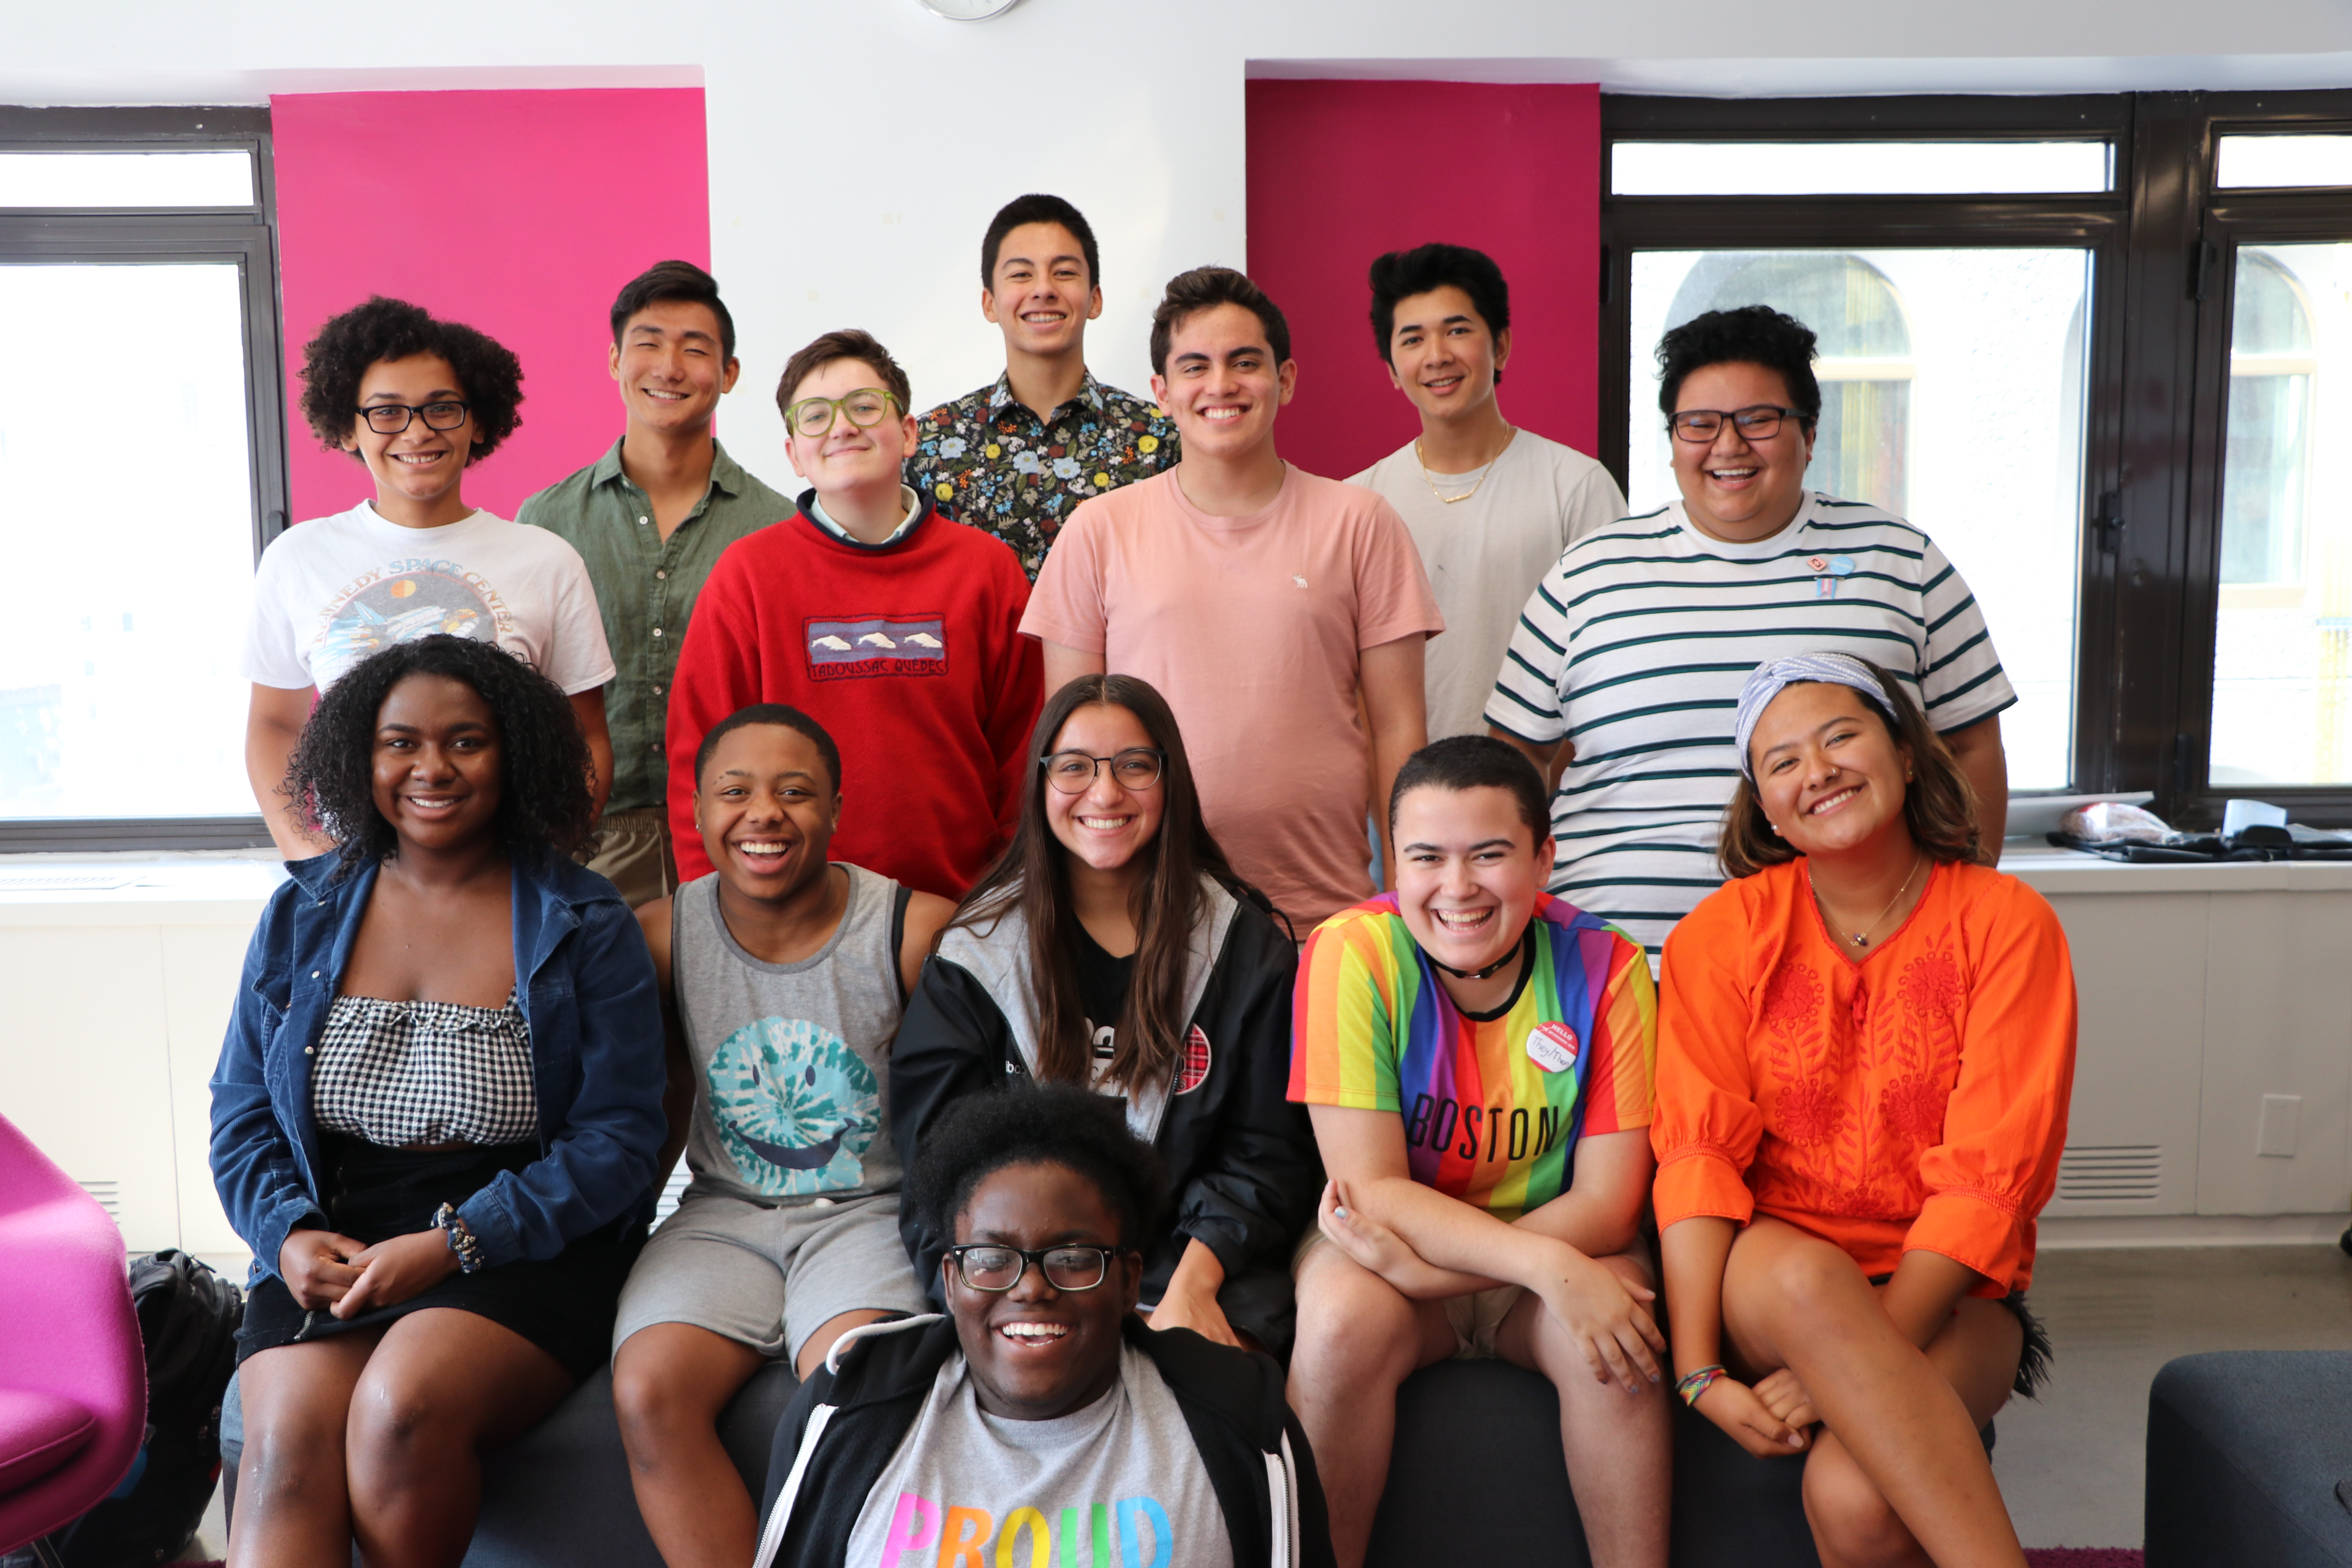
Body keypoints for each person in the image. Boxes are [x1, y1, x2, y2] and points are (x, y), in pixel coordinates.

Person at [210, 633, 665, 1568]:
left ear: (517, 755)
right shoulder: (303, 911)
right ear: (359, 755)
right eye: (400, 741)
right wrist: (287, 1233)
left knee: (398, 1410)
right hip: (335, 1232)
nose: (431, 767)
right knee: (285, 1446)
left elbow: (620, 1141)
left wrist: (455, 1243)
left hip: (524, 1241)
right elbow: (242, 1109)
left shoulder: (584, 920)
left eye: (467, 741)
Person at [1653, 653, 2073, 1568]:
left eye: (1842, 735)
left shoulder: (2008, 922)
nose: (1820, 769)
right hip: (1773, 1272)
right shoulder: (1719, 934)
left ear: (1909, 754)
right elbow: (1696, 1160)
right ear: (1764, 806)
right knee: (1809, 1283)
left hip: (1952, 1294)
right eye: (1783, 760)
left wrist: (1842, 1364)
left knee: (1857, 1498)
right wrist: (1696, 1369)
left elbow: (1987, 1185)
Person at [1485, 305, 2013, 962]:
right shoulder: (1586, 574)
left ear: (1810, 433)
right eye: (1698, 424)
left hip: (1846, 967)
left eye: (1758, 420)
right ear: (1674, 440)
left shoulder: (1901, 562)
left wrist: (1965, 908)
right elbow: (1513, 763)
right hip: (1610, 968)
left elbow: (1971, 744)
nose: (1728, 446)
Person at [1286, 735, 1668, 1568]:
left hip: (1549, 1238)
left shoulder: (1610, 964)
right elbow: (1374, 1190)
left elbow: (1610, 1202)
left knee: (1618, 1338)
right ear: (1393, 862)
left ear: (1543, 857)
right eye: (1426, 857)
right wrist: (1548, 1268)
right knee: (1338, 1323)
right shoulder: (1350, 951)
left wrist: (1502, 1271)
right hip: (1388, 1259)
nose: (1457, 887)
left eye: (1490, 855)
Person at [610, 703, 953, 1568]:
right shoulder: (659, 935)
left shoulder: (914, 931)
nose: (764, 812)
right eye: (736, 791)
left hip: (869, 1211)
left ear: (836, 809)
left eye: (795, 791)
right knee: (649, 1388)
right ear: (696, 811)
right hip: (724, 1212)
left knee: (850, 1382)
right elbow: (640, 1098)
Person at [893, 674, 1317, 1356]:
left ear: (1170, 780)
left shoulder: (1243, 943)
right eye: (1075, 767)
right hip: (1019, 1270)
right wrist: (1018, 1282)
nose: (1105, 792)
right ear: (1039, 783)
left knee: (1209, 1384)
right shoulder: (976, 952)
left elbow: (1269, 1153)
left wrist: (1192, 1287)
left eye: (1134, 766)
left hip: (1192, 1263)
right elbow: (939, 1160)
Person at [751, 1083, 1337, 1568]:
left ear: (1130, 1282)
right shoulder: (848, 1407)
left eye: (1074, 1258)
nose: (1030, 1287)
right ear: (951, 1281)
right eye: (991, 1259)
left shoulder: (1238, 1419)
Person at [1024, 267, 1443, 935]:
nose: (1221, 385)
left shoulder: (1361, 523)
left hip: (1327, 918)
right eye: (1196, 366)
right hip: (1144, 921)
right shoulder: (1098, 531)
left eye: (1245, 363)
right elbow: (1069, 752)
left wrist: (1411, 901)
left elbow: (1399, 734)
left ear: (1286, 380)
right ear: (1161, 391)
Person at [666, 329, 1043, 902]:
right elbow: (699, 759)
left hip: (963, 915)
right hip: (790, 921)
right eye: (815, 416)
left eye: (866, 407)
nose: (843, 427)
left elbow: (1026, 754)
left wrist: (1012, 899)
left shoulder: (987, 570)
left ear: (909, 433)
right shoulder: (746, 576)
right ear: (793, 454)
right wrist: (712, 916)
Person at [244, 296, 615, 860]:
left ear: (480, 421)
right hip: (355, 884)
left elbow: (585, 740)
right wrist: (316, 861)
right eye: (387, 412)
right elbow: (274, 725)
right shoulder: (298, 559)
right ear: (347, 428)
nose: (416, 433)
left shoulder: (546, 560)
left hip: (506, 879)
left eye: (442, 408)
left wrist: (540, 867)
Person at [518, 260, 793, 907]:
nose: (669, 367)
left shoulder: (777, 526)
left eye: (695, 348)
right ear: (615, 360)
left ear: (728, 374)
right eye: (648, 343)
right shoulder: (547, 521)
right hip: (588, 838)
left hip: (740, 836)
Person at [1348, 244, 1627, 740]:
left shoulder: (1576, 487)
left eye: (1457, 330)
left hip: (1542, 797)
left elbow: (1612, 659)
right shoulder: (1359, 503)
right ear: (1392, 369)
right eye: (1412, 339)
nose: (1437, 356)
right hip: (1405, 799)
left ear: (1500, 346)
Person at [906, 193, 1179, 579]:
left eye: (1065, 272)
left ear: (1095, 298)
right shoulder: (929, 445)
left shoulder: (1159, 438)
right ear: (989, 303)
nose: (1044, 289)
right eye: (1021, 274)